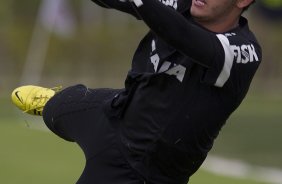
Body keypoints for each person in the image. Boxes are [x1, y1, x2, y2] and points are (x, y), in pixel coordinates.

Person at [12, 0, 261, 183]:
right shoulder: (183, 4)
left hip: (139, 169)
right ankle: (52, 104)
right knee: (59, 107)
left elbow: (185, 36)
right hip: (119, 111)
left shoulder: (243, 50)